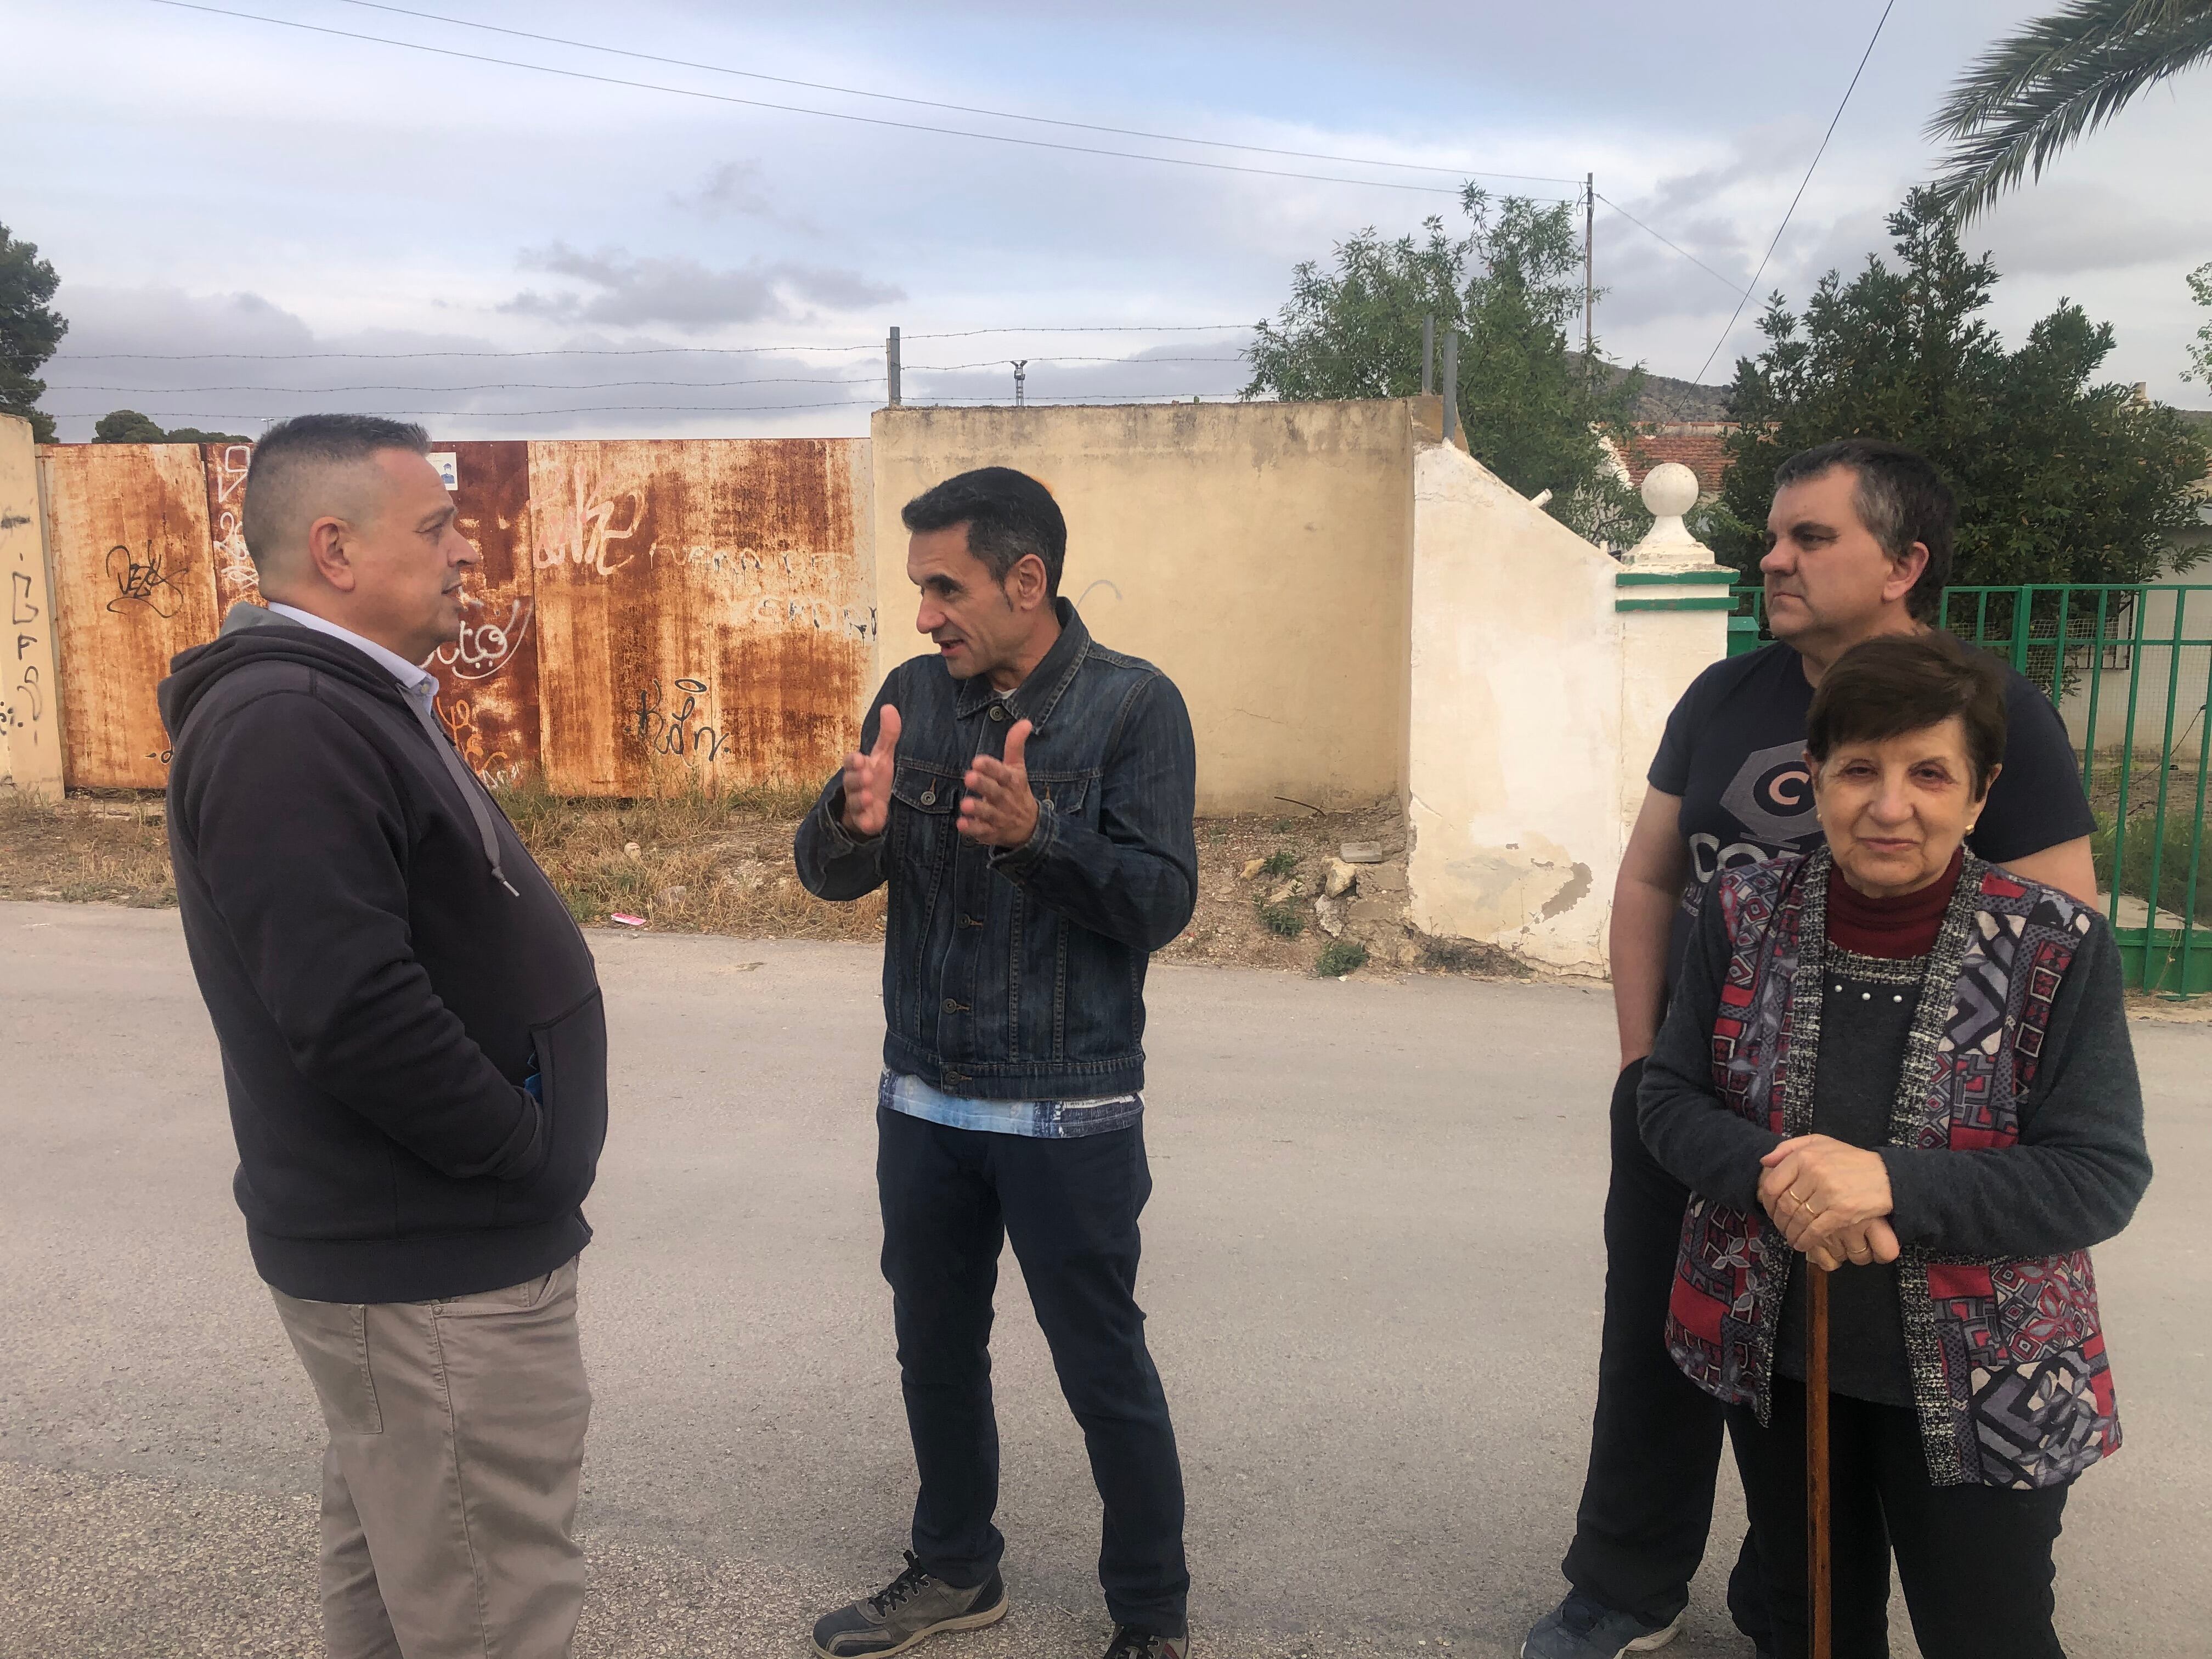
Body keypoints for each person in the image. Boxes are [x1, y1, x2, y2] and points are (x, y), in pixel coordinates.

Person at [1525, 439, 2100, 1659]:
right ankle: (1631, 1578)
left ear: (1903, 565)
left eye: (1809, 538)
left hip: (1911, 1151)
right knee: (1661, 1339)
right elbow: (1646, 882)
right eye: (1774, 535)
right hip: (1710, 1118)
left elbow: (2065, 927)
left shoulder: (1994, 710)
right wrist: (1648, 1074)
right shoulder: (1724, 700)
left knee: (1837, 1372)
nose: (1772, 557)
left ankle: (1791, 1574)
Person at [160, 414, 606, 1659]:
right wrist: (520, 1151)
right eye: (438, 526)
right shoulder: (292, 722)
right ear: (335, 551)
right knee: (491, 1608)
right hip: (436, 1266)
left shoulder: (344, 703)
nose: (467, 550)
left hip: (424, 1257)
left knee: (407, 1578)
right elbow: (351, 1009)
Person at [1638, 631, 2151, 1659]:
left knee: (1989, 1630)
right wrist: (1781, 1180)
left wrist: (1884, 1182)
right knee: (1810, 1621)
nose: (1889, 805)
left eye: (1929, 773)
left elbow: (2099, 1174)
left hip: (1992, 1375)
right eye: (1858, 769)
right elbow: (1669, 1099)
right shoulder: (1741, 910)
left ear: (1979, 793)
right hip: (1779, 1356)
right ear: (1814, 779)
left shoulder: (2055, 943)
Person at [795, 467, 1198, 1659]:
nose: (924, 615)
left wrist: (1041, 839)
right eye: (920, 588)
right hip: (922, 1096)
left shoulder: (1134, 708)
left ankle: (1151, 1614)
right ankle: (958, 1570)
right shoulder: (913, 694)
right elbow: (829, 875)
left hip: (1068, 1110)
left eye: (944, 586)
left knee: (1101, 1364)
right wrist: (844, 824)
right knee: (934, 1346)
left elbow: (1162, 902)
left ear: (1028, 581)